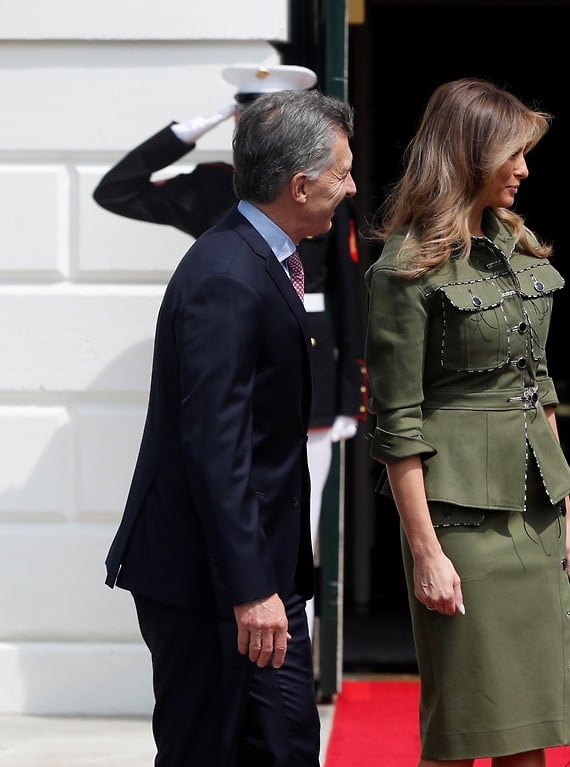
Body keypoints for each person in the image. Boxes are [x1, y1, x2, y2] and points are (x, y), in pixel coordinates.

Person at [105, 89, 403, 767]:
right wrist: (250, 589)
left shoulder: (277, 256)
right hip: (209, 583)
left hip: (270, 574)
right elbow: (214, 446)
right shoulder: (225, 273)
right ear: (302, 181)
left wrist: (282, 577)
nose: (354, 189)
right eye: (346, 174)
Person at [363, 77, 570, 767]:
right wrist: (422, 546)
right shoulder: (401, 271)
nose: (526, 169)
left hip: (534, 506)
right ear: (467, 156)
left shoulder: (516, 251)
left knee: (531, 726)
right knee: (461, 729)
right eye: (513, 153)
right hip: (456, 514)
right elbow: (399, 424)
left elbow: (539, 391)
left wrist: (567, 513)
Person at [93, 63, 366, 640]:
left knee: (298, 526)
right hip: (233, 359)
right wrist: (190, 128)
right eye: (246, 115)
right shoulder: (217, 187)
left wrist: (347, 395)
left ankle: (301, 647)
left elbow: (346, 293)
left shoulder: (324, 187)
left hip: (306, 370)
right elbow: (115, 188)